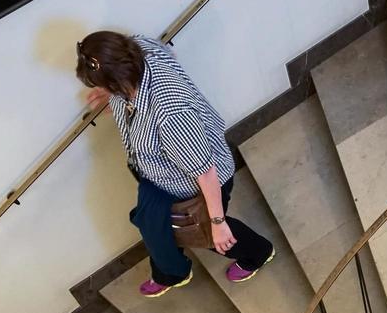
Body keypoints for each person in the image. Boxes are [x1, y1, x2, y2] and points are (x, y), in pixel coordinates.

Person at [77, 31, 275, 297]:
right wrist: (116, 96)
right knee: (155, 227)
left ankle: (258, 253)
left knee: (208, 235)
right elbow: (169, 55)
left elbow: (206, 173)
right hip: (158, 178)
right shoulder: (139, 47)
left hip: (194, 186)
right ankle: (171, 273)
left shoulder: (170, 114)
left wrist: (217, 222)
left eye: (103, 85)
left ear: (119, 78)